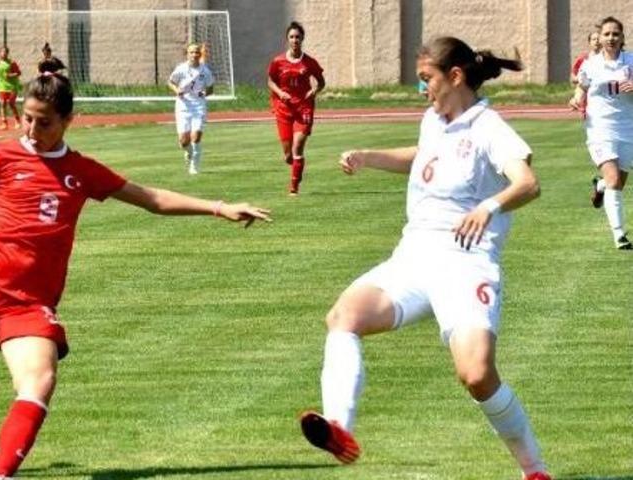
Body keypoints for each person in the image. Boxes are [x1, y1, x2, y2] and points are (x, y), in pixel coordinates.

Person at [0, 72, 271, 480]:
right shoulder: (0, 156)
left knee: (40, 379)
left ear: (68, 121)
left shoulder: (82, 171)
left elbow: (150, 198)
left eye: (44, 123)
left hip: (26, 303)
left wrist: (219, 207)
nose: (32, 130)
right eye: (27, 118)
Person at [298, 37, 552, 480]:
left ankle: (534, 470)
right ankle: (339, 427)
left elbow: (527, 183)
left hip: (466, 262)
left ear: (455, 77)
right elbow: (423, 158)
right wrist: (369, 157)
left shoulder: (488, 127)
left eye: (426, 79)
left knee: (476, 375)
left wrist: (488, 207)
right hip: (413, 256)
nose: (422, 89)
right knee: (344, 316)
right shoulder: (433, 120)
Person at [570, 16, 633, 250]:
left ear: (622, 37)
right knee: (614, 180)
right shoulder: (591, 64)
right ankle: (620, 235)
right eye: (607, 34)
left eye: (616, 34)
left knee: (617, 182)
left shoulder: (631, 61)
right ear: (600, 37)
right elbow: (581, 88)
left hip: (627, 127)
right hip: (600, 127)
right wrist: (576, 99)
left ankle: (600, 187)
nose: (611, 38)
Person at [267, 21, 325, 196]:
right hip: (284, 109)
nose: (295, 40)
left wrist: (314, 91)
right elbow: (270, 81)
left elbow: (321, 82)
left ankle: (294, 187)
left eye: (297, 37)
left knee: (298, 146)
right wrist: (280, 93)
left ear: (302, 39)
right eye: (291, 37)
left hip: (304, 108)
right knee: (288, 155)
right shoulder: (278, 61)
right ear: (287, 39)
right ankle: (295, 165)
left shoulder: (309, 62)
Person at [168, 43, 215, 174]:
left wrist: (204, 93)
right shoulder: (181, 69)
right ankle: (188, 152)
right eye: (191, 52)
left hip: (198, 105)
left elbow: (211, 89)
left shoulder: (205, 71)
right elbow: (171, 82)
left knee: (196, 136)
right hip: (183, 105)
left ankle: (194, 166)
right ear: (187, 54)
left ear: (200, 54)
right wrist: (177, 90)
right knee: (184, 141)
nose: (194, 55)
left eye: (197, 52)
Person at [0, 46, 22, 130]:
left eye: (5, 52)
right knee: (3, 103)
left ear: (7, 53)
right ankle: (4, 123)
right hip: (2, 86)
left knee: (11, 103)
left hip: (12, 86)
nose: (4, 54)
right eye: (2, 52)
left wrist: (10, 75)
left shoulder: (12, 63)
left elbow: (18, 73)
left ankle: (17, 121)